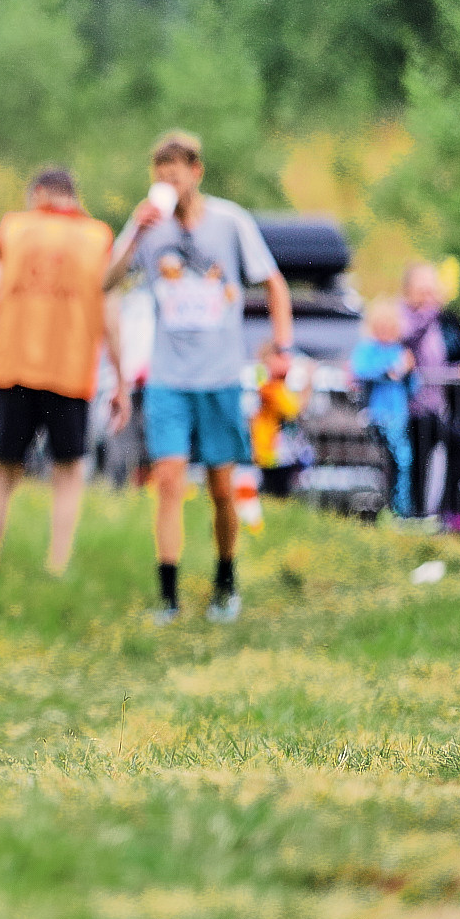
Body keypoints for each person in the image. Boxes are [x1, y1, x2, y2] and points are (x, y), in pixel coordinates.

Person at [105, 130, 291, 625]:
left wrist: (282, 346)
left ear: (196, 172)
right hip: (168, 378)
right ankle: (167, 596)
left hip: (220, 377)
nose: (167, 182)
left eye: (175, 174)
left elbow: (274, 283)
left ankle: (225, 581)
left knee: (221, 489)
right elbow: (105, 281)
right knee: (167, 481)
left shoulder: (230, 223)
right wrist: (136, 235)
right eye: (159, 175)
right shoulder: (148, 227)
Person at [0, 167, 128, 574]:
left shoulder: (13, 230)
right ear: (72, 196)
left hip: (14, 369)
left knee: (3, 469)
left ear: (38, 193)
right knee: (68, 471)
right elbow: (111, 318)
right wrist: (122, 378)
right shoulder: (98, 238)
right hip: (70, 372)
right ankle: (57, 564)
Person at [398, 262, 460, 518]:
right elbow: (410, 338)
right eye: (422, 290)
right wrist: (430, 309)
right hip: (409, 409)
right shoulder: (403, 316)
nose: (428, 296)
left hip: (433, 408)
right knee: (416, 465)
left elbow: (437, 363)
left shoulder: (438, 321)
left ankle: (443, 508)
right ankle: (414, 516)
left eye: (431, 290)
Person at [353, 298, 417, 515]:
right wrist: (388, 371)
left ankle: (401, 510)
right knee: (381, 464)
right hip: (377, 415)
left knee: (403, 462)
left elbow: (414, 386)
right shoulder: (368, 349)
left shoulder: (400, 350)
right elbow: (361, 370)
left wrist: (408, 372)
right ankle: (379, 508)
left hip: (398, 416)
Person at [250, 341, 304, 499]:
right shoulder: (266, 382)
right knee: (272, 487)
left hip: (283, 449)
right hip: (269, 447)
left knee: (281, 487)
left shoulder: (281, 383)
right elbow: (289, 408)